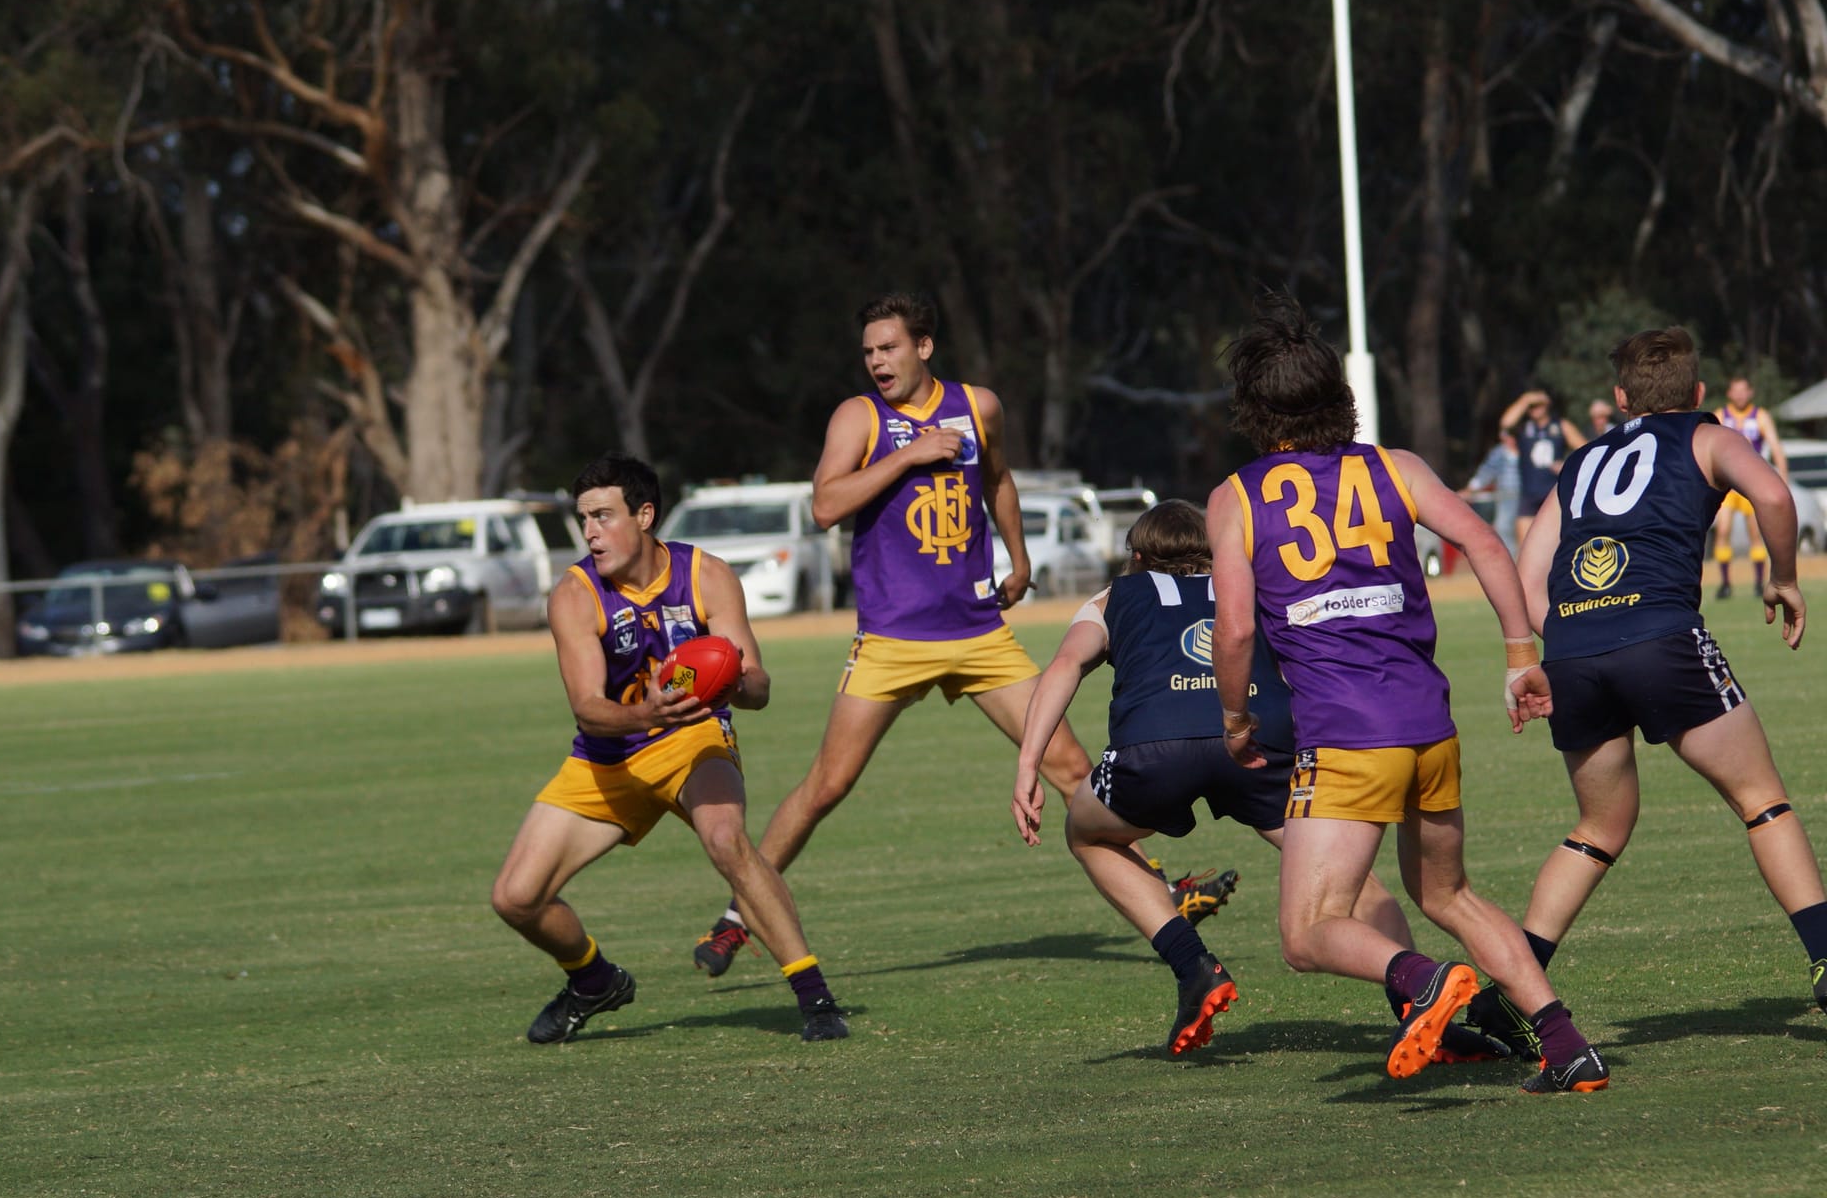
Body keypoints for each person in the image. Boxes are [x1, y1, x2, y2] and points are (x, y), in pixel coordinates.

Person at [690, 293, 1230, 975]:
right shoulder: (860, 417)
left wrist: (1020, 556)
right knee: (827, 784)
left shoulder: (979, 406)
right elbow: (826, 504)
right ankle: (741, 917)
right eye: (868, 351)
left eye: (888, 347)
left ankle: (1165, 890)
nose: (877, 361)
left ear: (924, 347)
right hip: (892, 637)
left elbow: (998, 479)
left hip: (979, 632)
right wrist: (908, 456)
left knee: (1070, 766)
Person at [1207, 290, 1608, 1093]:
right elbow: (1485, 542)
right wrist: (1520, 654)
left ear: (1254, 409)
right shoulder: (1398, 467)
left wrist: (1235, 717)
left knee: (1308, 931)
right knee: (1448, 891)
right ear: (1339, 397)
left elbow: (1239, 631)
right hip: (1428, 723)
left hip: (1347, 733)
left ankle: (1422, 981)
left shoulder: (1237, 496)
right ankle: (1568, 1046)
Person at [1011, 500, 1510, 1062]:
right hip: (1256, 743)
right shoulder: (1252, 583)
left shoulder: (1115, 597)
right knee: (1353, 884)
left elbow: (1063, 667)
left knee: (1090, 836)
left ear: (1138, 556)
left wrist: (1029, 765)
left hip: (1155, 748)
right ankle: (1419, 1004)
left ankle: (1193, 966)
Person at [1508, 328, 1826, 1033]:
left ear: (1620, 399)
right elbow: (1774, 495)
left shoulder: (1582, 457)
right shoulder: (1706, 436)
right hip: (1660, 635)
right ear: (1700, 394)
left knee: (1597, 827)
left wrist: (1567, 637)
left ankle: (1514, 993)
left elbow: (1528, 573)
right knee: (1761, 797)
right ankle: (1826, 955)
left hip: (1573, 648)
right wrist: (1782, 580)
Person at [490, 453, 849, 1043]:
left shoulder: (707, 575)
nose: (590, 533)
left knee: (727, 840)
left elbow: (758, 686)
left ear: (646, 515)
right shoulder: (575, 596)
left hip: (693, 738)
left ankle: (816, 1001)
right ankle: (593, 980)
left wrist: (730, 680)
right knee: (515, 897)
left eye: (603, 516)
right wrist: (645, 712)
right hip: (608, 754)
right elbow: (587, 707)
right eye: (584, 519)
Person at [1710, 375, 1790, 599]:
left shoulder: (1761, 416)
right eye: (1735, 391)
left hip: (1751, 483)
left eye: (1743, 390)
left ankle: (1758, 582)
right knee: (1723, 530)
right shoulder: (1720, 415)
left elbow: (1775, 447)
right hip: (1727, 486)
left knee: (1756, 533)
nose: (1739, 395)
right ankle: (1725, 584)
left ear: (1750, 393)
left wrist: (1783, 478)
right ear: (1729, 393)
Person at [1501, 390, 1585, 546]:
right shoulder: (1523, 428)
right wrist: (1524, 400)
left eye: (1538, 405)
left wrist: (1567, 465)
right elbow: (1505, 423)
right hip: (1529, 494)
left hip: (1554, 493)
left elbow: (1585, 450)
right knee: (1526, 545)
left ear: (1547, 406)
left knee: (1557, 543)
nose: (1534, 409)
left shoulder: (1561, 426)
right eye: (1531, 407)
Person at [1463, 431, 1521, 556]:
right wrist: (1471, 488)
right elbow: (1486, 471)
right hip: (1507, 496)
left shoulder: (1527, 447)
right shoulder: (1499, 452)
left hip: (1530, 496)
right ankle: (1512, 562)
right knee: (1504, 528)